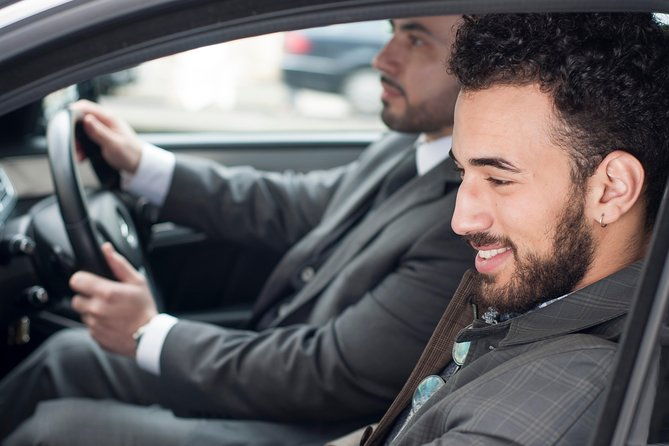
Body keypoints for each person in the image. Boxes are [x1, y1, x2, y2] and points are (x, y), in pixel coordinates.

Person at [0, 16, 473, 446]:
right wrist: (141, 165)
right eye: (392, 31)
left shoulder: (462, 222)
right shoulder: (410, 144)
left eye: (416, 40)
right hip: (276, 376)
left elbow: (326, 373)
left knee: (56, 432)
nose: (382, 58)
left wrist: (147, 332)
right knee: (66, 355)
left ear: (478, 67)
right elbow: (294, 205)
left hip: (315, 424)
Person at [339, 12, 669, 446]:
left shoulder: (573, 383)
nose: (461, 220)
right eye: (463, 173)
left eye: (498, 179)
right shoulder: (543, 300)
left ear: (611, 190)